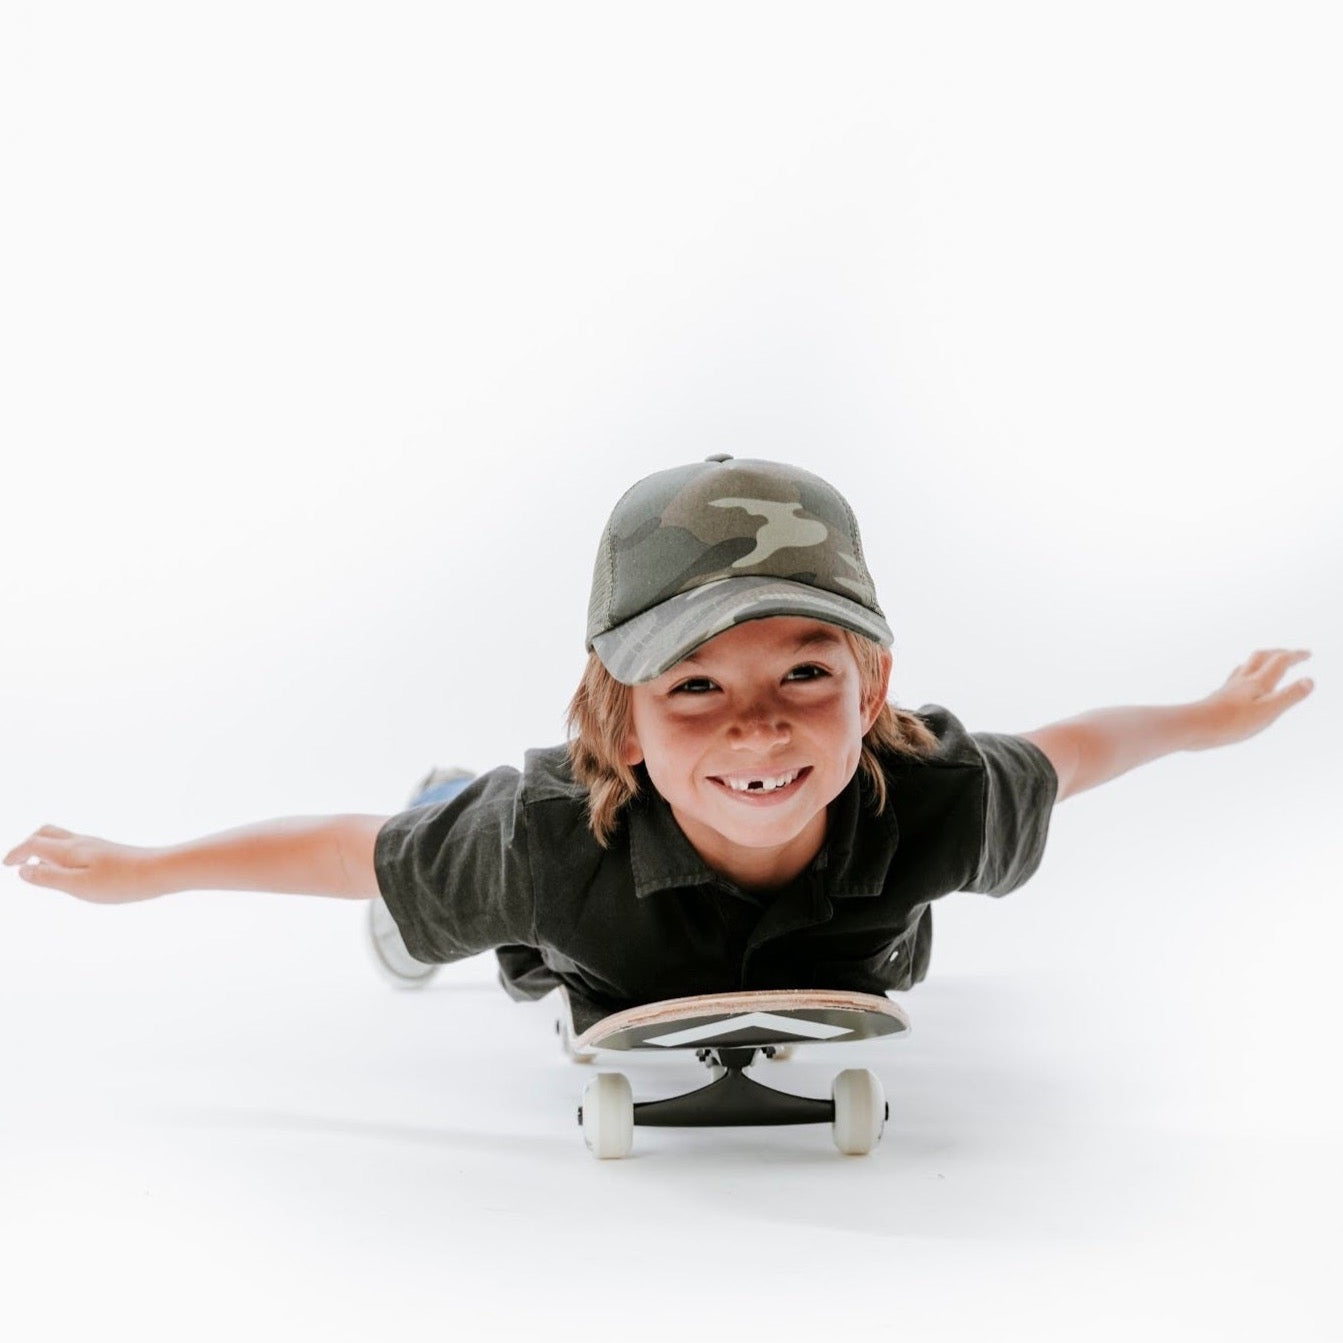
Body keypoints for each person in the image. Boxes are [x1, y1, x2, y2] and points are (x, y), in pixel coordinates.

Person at [3, 456, 1315, 1035]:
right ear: (618, 715)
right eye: (694, 686)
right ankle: (446, 796)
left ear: (875, 685)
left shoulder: (942, 798)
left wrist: (1209, 719)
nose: (756, 725)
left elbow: (1075, 750)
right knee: (416, 910)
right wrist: (151, 866)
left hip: (821, 959)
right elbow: (353, 853)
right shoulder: (540, 840)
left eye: (806, 672)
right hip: (559, 924)